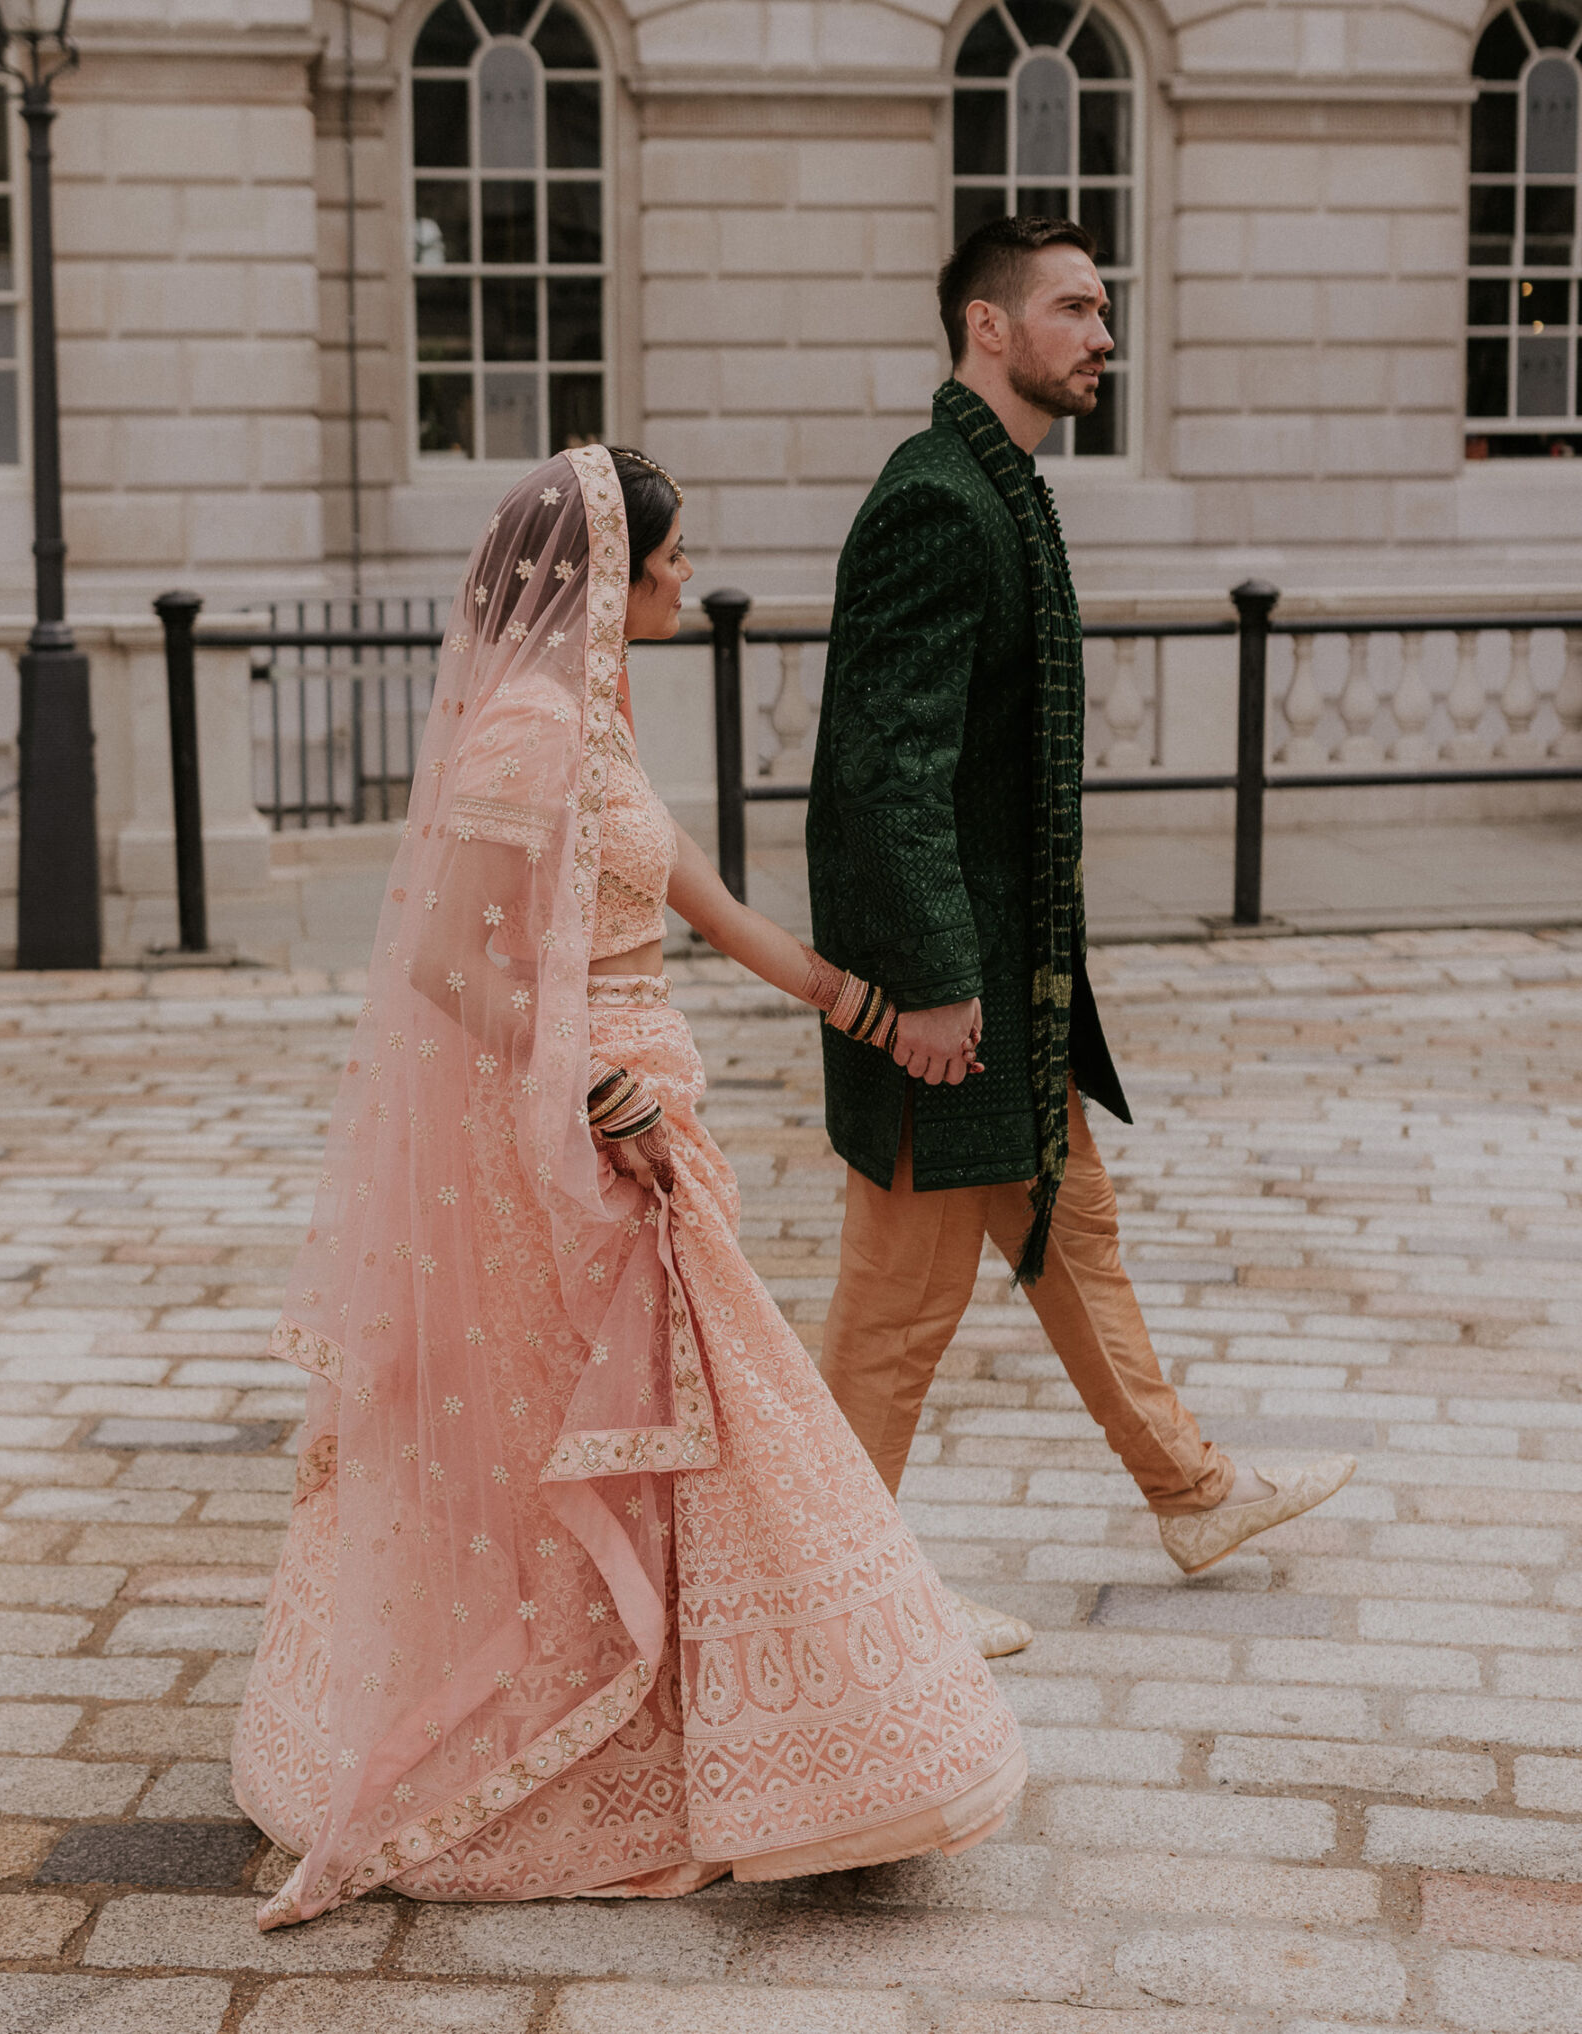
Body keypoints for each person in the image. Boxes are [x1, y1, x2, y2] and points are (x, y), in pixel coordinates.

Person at [233, 443, 1025, 1917]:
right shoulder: (525, 735)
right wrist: (602, 1097)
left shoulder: (590, 720)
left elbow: (703, 904)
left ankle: (716, 1732)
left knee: (659, 1431)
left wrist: (869, 1010)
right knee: (665, 1421)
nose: (681, 577)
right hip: (588, 1142)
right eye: (665, 558)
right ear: (610, 572)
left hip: (650, 1120)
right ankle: (727, 1739)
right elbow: (446, 964)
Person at [807, 216, 1354, 1648]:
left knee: (1073, 1227)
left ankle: (1191, 1487)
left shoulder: (1004, 488)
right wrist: (930, 984)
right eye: (1076, 307)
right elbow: (886, 766)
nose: (1103, 332)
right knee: (894, 1312)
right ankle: (828, 1595)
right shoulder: (938, 499)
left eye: (1105, 308)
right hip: (949, 1003)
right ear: (990, 327)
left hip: (1009, 996)